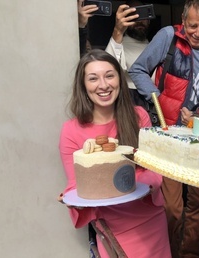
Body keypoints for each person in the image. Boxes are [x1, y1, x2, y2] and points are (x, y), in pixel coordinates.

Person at [128, 1, 199, 257]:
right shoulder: (168, 37)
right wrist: (156, 99)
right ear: (183, 21)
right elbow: (137, 69)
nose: (196, 32)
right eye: (192, 25)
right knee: (171, 208)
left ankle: (190, 253)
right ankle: (170, 253)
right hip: (169, 137)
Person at [58, 49, 171, 258]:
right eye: (93, 78)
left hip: (150, 220)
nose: (103, 85)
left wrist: (108, 183)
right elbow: (76, 185)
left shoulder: (139, 117)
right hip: (112, 229)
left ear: (119, 78)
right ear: (83, 85)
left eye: (109, 75)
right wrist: (71, 197)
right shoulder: (71, 131)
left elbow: (154, 173)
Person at [105, 0, 154, 90]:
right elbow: (107, 70)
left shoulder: (156, 46)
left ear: (149, 20)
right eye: (132, 16)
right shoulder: (117, 46)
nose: (139, 20)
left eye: (142, 14)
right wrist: (118, 31)